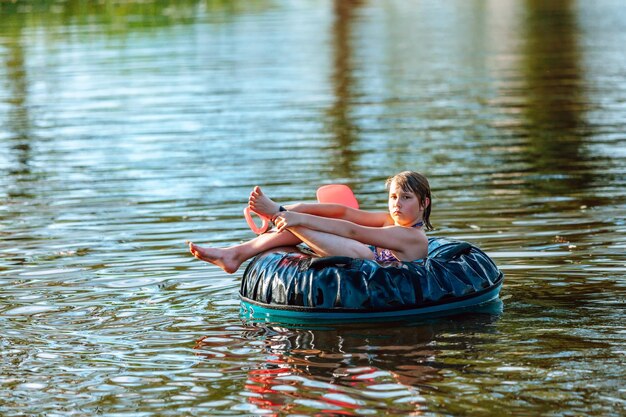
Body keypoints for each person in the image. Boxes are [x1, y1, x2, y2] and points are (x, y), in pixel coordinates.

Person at [188, 171, 433, 273]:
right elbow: (344, 213)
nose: (396, 204)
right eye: (392, 197)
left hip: (375, 272)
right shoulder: (389, 220)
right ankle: (236, 253)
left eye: (406, 198)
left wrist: (288, 216)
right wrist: (296, 209)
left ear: (424, 203)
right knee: (306, 221)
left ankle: (277, 216)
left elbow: (353, 231)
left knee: (360, 251)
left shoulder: (413, 237)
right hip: (356, 251)